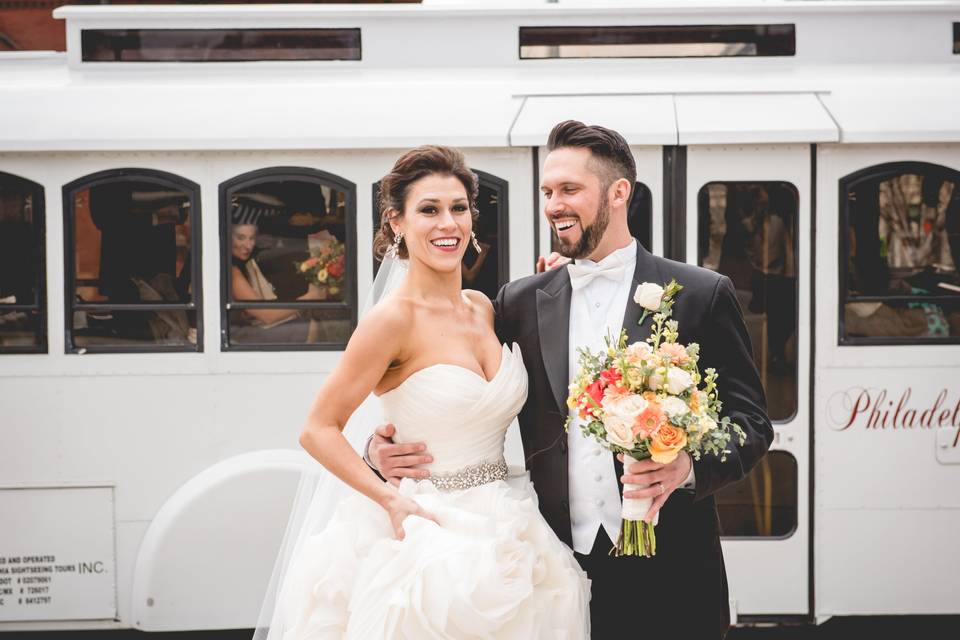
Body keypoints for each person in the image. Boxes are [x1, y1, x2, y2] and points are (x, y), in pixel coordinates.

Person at [371, 121, 774, 638]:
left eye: (569, 190)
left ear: (618, 192)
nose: (553, 204)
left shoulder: (701, 293)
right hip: (553, 568)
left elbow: (752, 423)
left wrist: (688, 468)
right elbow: (446, 383)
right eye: (547, 191)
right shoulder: (518, 302)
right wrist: (381, 451)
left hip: (674, 573)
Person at [258, 145, 590, 639]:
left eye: (458, 209)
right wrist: (387, 496)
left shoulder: (484, 308)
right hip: (426, 531)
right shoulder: (391, 321)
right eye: (429, 210)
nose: (447, 224)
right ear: (397, 222)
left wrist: (560, 280)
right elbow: (317, 429)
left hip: (510, 522)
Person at [230, 217, 325, 343]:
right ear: (228, 238)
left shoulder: (242, 266)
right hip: (234, 337)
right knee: (307, 326)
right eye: (241, 238)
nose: (248, 245)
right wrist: (310, 298)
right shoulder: (232, 271)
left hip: (243, 329)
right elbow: (266, 316)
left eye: (252, 238)